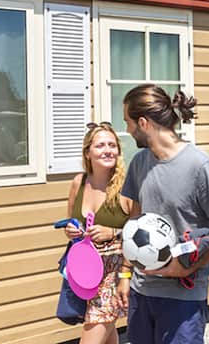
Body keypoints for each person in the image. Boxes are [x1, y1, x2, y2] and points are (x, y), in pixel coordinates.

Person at [116, 84, 209, 344]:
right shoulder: (139, 163)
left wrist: (186, 268)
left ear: (143, 123)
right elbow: (133, 225)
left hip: (183, 299)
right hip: (141, 292)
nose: (127, 129)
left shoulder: (201, 167)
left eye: (128, 122)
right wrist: (125, 275)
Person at [64, 122, 132, 344]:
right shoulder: (79, 183)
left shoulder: (126, 187)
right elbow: (70, 223)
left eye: (112, 145)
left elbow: (142, 231)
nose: (108, 150)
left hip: (114, 275)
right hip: (85, 274)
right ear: (88, 152)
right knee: (107, 336)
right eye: (100, 145)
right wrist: (71, 230)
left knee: (93, 335)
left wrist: (113, 231)